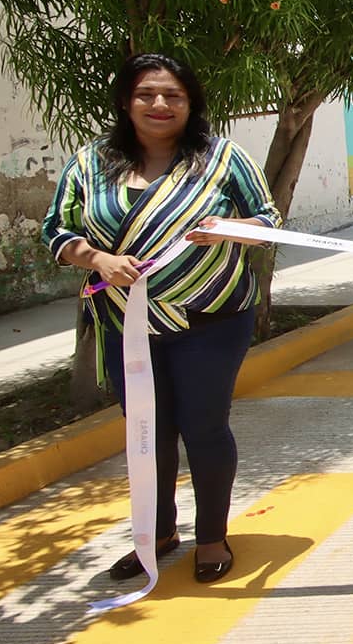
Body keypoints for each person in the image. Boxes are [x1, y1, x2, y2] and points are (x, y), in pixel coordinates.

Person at [43, 54, 280, 585]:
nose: (159, 105)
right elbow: (55, 229)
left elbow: (267, 218)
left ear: (190, 103)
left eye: (173, 95)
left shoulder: (221, 159)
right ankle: (158, 532)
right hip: (125, 325)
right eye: (147, 94)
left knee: (203, 427)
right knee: (148, 431)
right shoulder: (90, 163)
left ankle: (212, 537)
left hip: (211, 319)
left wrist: (230, 229)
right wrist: (97, 259)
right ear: (126, 102)